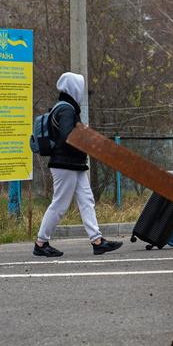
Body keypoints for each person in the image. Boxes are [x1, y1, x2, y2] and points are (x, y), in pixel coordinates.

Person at [33, 72, 123, 257]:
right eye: (79, 88)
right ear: (73, 88)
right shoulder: (66, 109)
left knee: (86, 200)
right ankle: (41, 243)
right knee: (60, 204)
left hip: (73, 163)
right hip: (65, 163)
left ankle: (97, 241)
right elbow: (68, 136)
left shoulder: (63, 107)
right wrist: (85, 136)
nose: (81, 92)